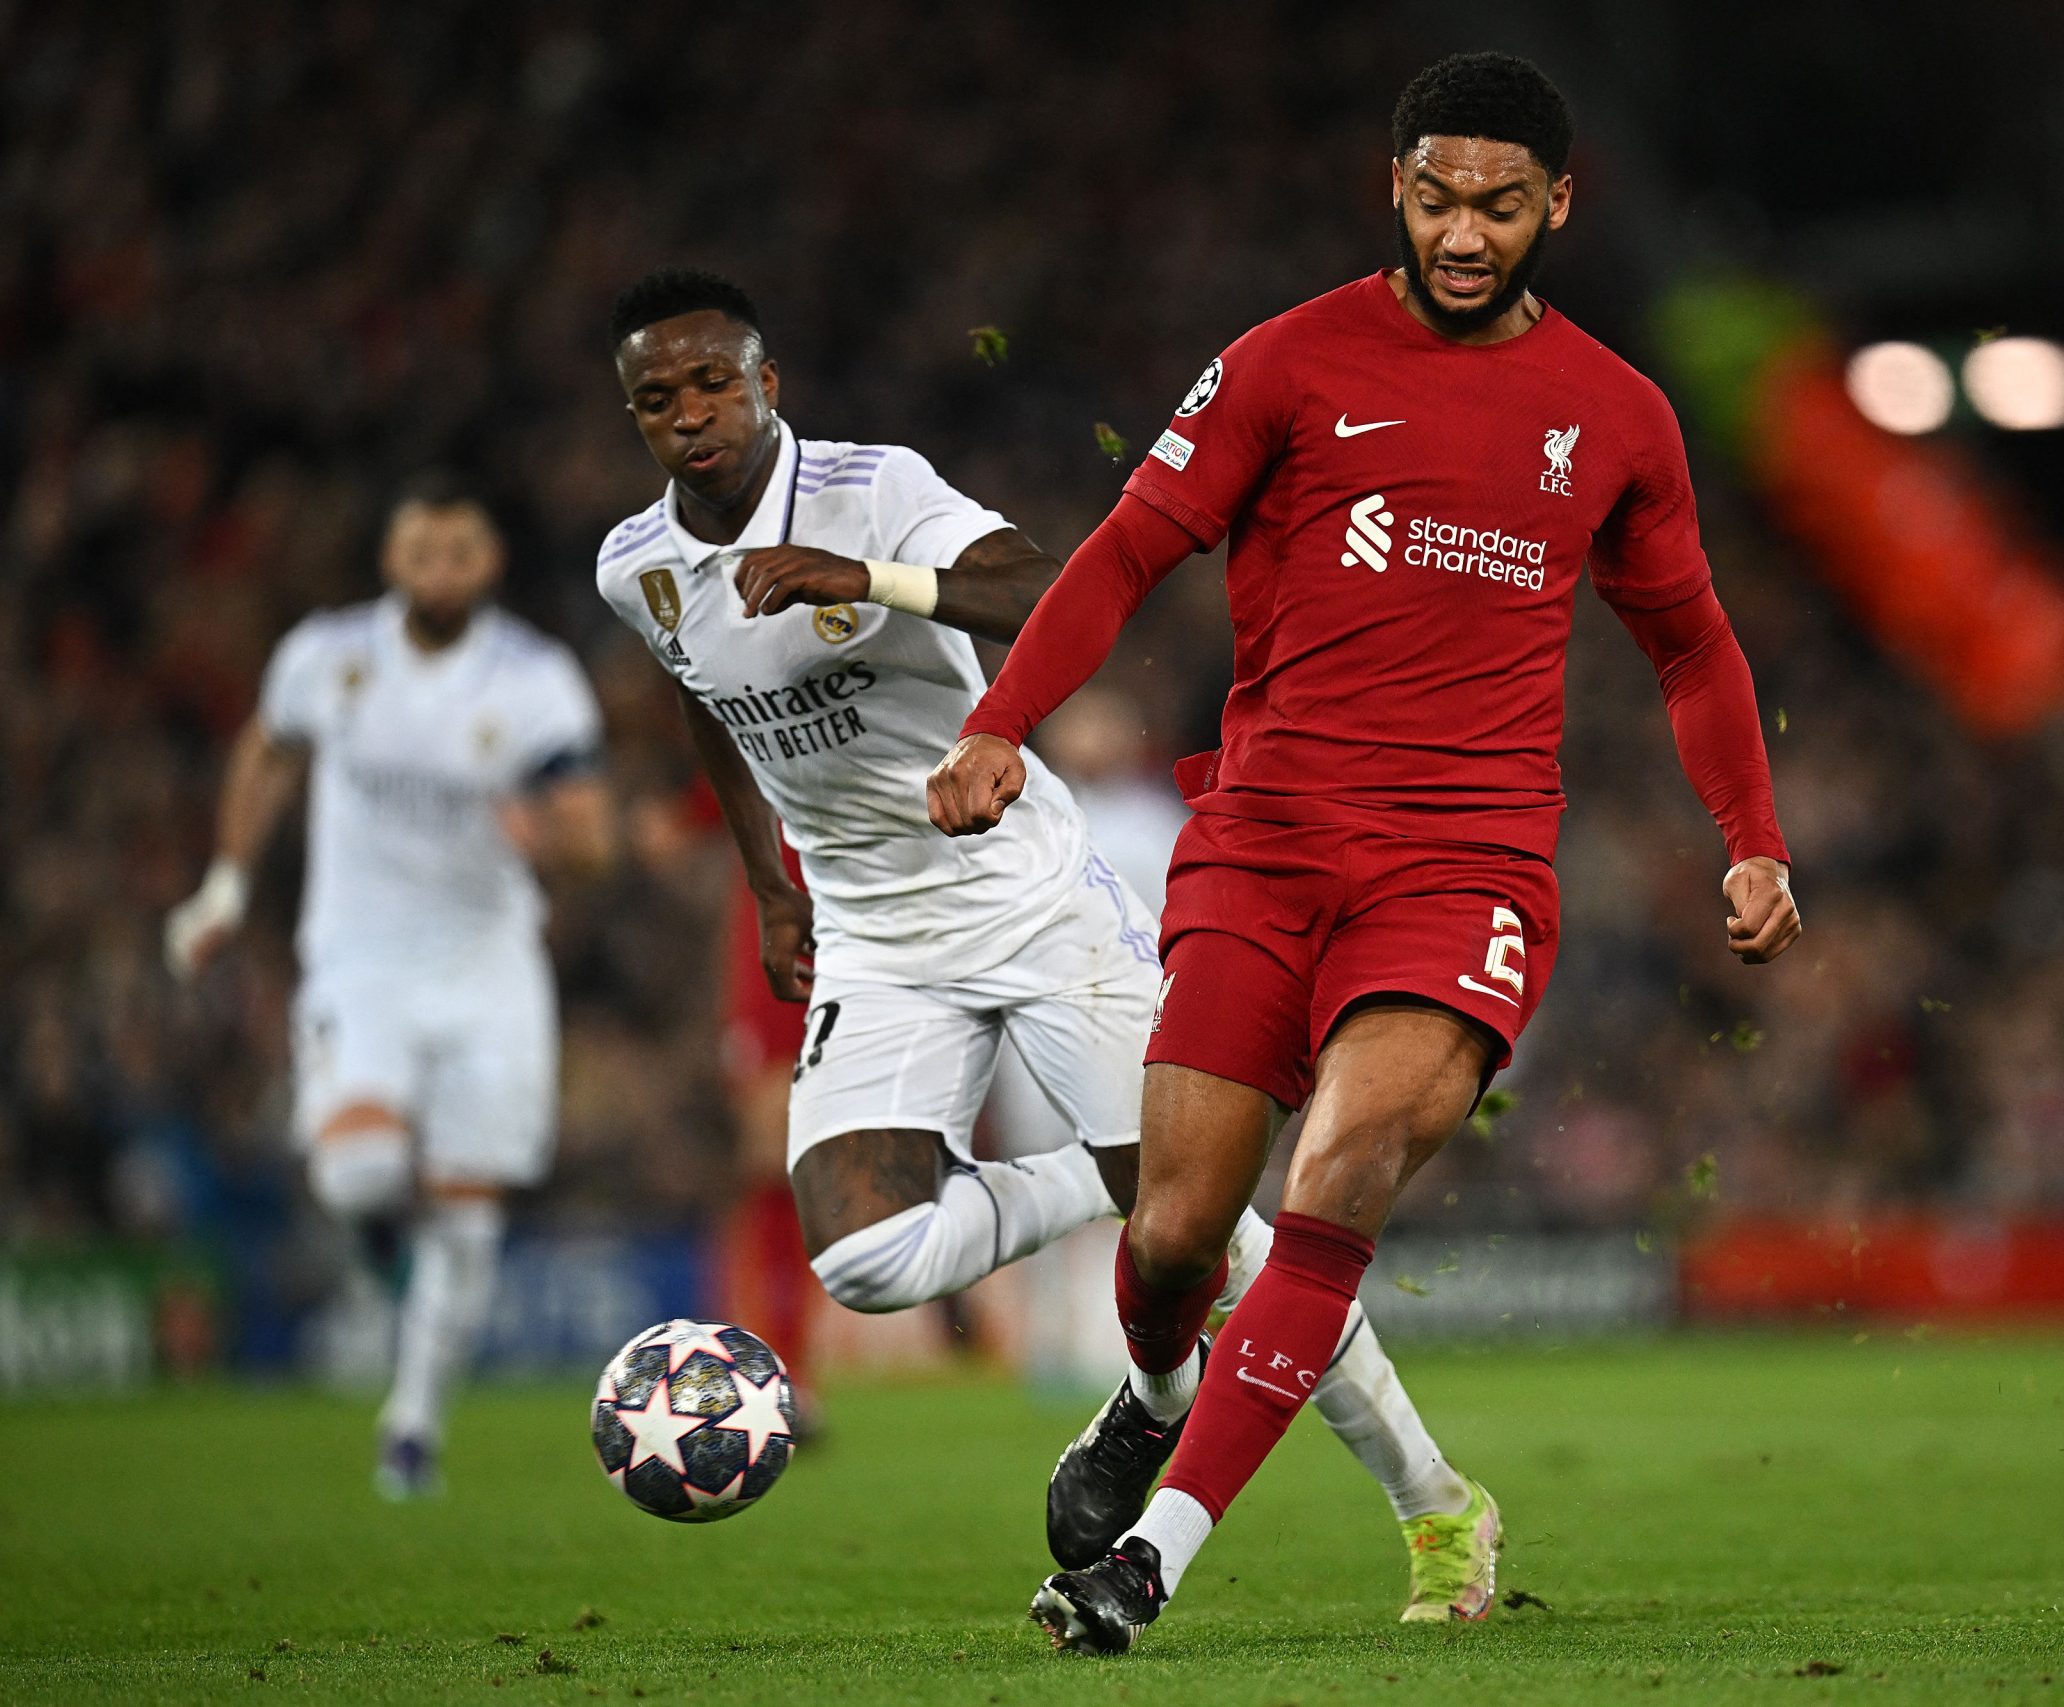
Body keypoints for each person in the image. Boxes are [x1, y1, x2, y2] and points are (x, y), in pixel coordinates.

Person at [928, 52, 1802, 1654]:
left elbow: (1691, 644)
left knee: (1333, 1177)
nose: (1465, 233)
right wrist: (1004, 721)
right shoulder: (1288, 361)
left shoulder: (1616, 414)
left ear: (1557, 205)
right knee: (1178, 1231)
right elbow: (1130, 546)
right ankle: (1150, 1388)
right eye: (1437, 197)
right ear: (1394, 186)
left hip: (1461, 871)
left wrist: (1751, 838)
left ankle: (1152, 1559)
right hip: (1261, 848)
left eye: (1500, 204)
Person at [594, 269, 1489, 1614]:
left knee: (1229, 1247)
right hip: (873, 935)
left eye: (717, 381)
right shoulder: (635, 567)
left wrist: (866, 578)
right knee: (865, 1260)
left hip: (1029, 897)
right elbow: (706, 701)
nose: (695, 414)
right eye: (660, 400)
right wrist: (771, 886)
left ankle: (1436, 1507)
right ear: (637, 420)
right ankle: (1105, 1179)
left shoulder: (872, 486)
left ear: (767, 382)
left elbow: (1049, 590)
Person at [165, 472, 614, 1498]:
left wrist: (542, 833)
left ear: (487, 562)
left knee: (467, 1211)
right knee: (360, 1173)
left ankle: (411, 1425)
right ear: (392, 559)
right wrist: (227, 884)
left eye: (459, 553)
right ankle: (383, 1243)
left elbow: (595, 843)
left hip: (488, 967)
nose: (440, 571)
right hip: (360, 960)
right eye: (422, 552)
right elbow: (268, 756)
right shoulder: (328, 658)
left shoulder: (533, 680)